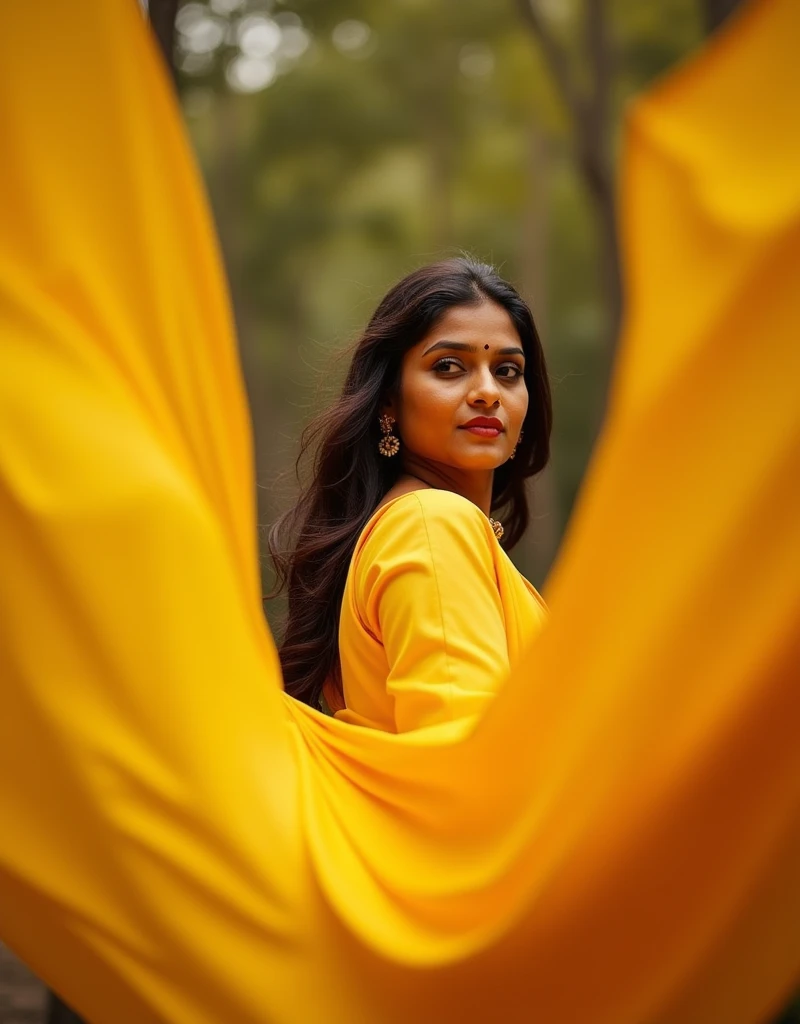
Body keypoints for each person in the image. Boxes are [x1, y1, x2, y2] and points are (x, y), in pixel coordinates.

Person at [269, 258, 551, 731]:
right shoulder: (431, 524)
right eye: (448, 367)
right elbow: (458, 755)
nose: (487, 392)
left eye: (507, 371)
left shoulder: (412, 527)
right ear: (388, 400)